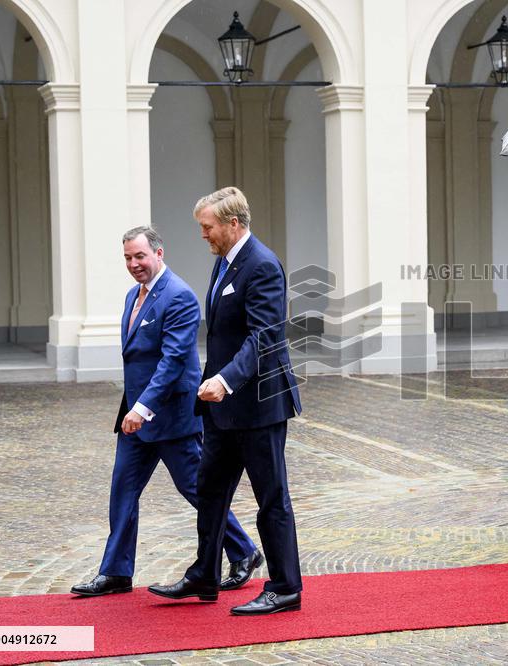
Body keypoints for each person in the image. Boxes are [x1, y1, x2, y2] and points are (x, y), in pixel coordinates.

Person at [72, 227, 261, 598]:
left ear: (159, 252)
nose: (133, 264)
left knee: (198, 490)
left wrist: (143, 408)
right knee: (122, 491)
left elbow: (173, 361)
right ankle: (115, 572)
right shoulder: (133, 295)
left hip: (172, 417)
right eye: (127, 257)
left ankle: (244, 551)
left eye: (140, 256)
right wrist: (135, 409)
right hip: (135, 417)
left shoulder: (179, 296)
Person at [149, 187, 304, 616]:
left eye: (208, 227)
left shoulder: (263, 266)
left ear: (233, 224)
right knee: (210, 490)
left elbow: (265, 338)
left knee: (271, 497)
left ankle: (285, 586)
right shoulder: (223, 263)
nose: (203, 235)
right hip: (222, 407)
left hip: (258, 404)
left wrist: (225, 380)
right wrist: (214, 384)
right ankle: (204, 575)